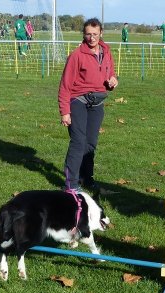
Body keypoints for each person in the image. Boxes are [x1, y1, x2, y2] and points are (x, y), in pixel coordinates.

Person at [58, 18, 118, 192]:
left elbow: (110, 74)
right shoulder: (76, 55)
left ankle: (87, 178)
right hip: (78, 101)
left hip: (97, 103)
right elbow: (65, 85)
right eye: (88, 34)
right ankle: (71, 184)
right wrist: (65, 112)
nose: (92, 38)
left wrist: (113, 81)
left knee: (90, 143)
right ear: (83, 35)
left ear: (101, 34)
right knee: (78, 142)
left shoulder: (106, 52)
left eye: (95, 34)